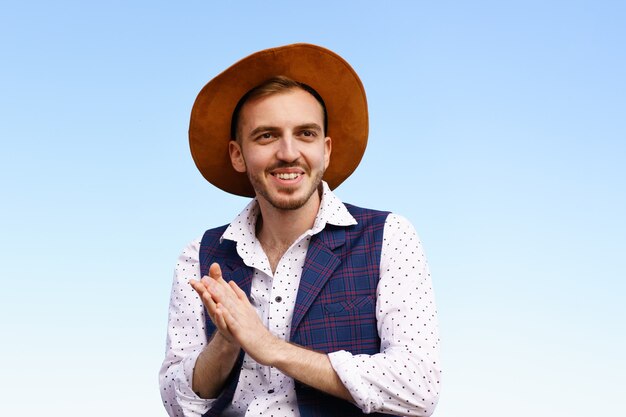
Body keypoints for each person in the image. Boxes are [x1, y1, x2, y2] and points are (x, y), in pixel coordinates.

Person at [159, 43, 441, 417]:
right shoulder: (200, 254)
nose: (288, 152)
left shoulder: (389, 236)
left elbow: (418, 388)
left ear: (325, 150)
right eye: (266, 136)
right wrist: (226, 343)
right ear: (237, 155)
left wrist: (270, 347)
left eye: (305, 134)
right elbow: (177, 403)